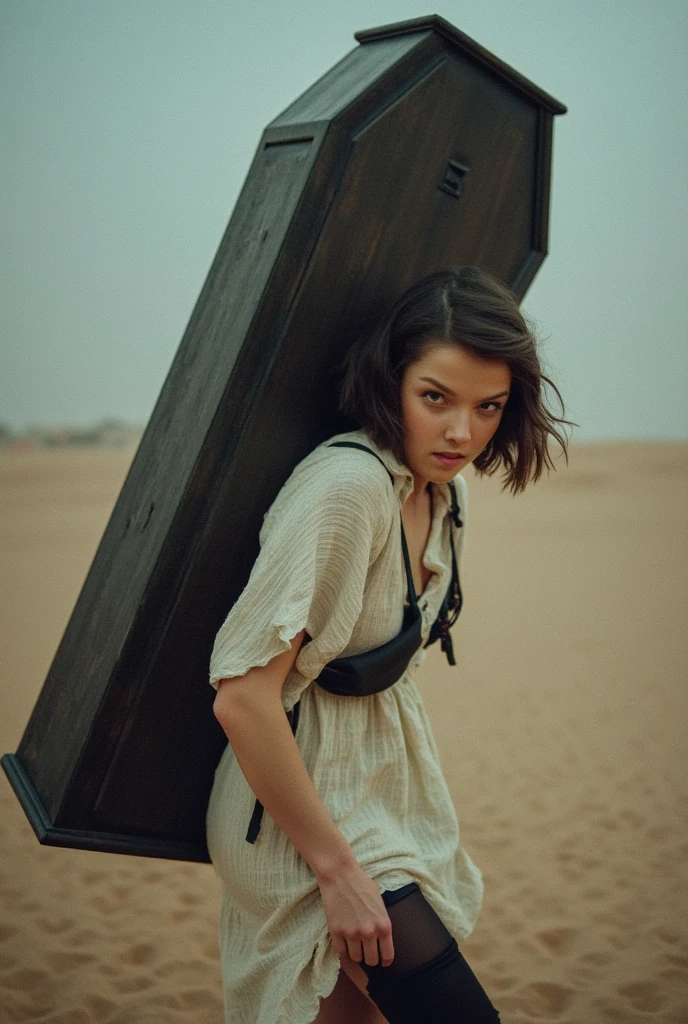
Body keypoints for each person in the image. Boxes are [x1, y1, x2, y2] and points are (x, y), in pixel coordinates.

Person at [206, 266, 571, 1023]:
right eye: (435, 397)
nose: (462, 433)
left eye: (489, 407)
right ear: (390, 379)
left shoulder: (444, 493)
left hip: (382, 788)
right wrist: (337, 872)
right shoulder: (347, 490)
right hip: (294, 812)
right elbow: (243, 698)